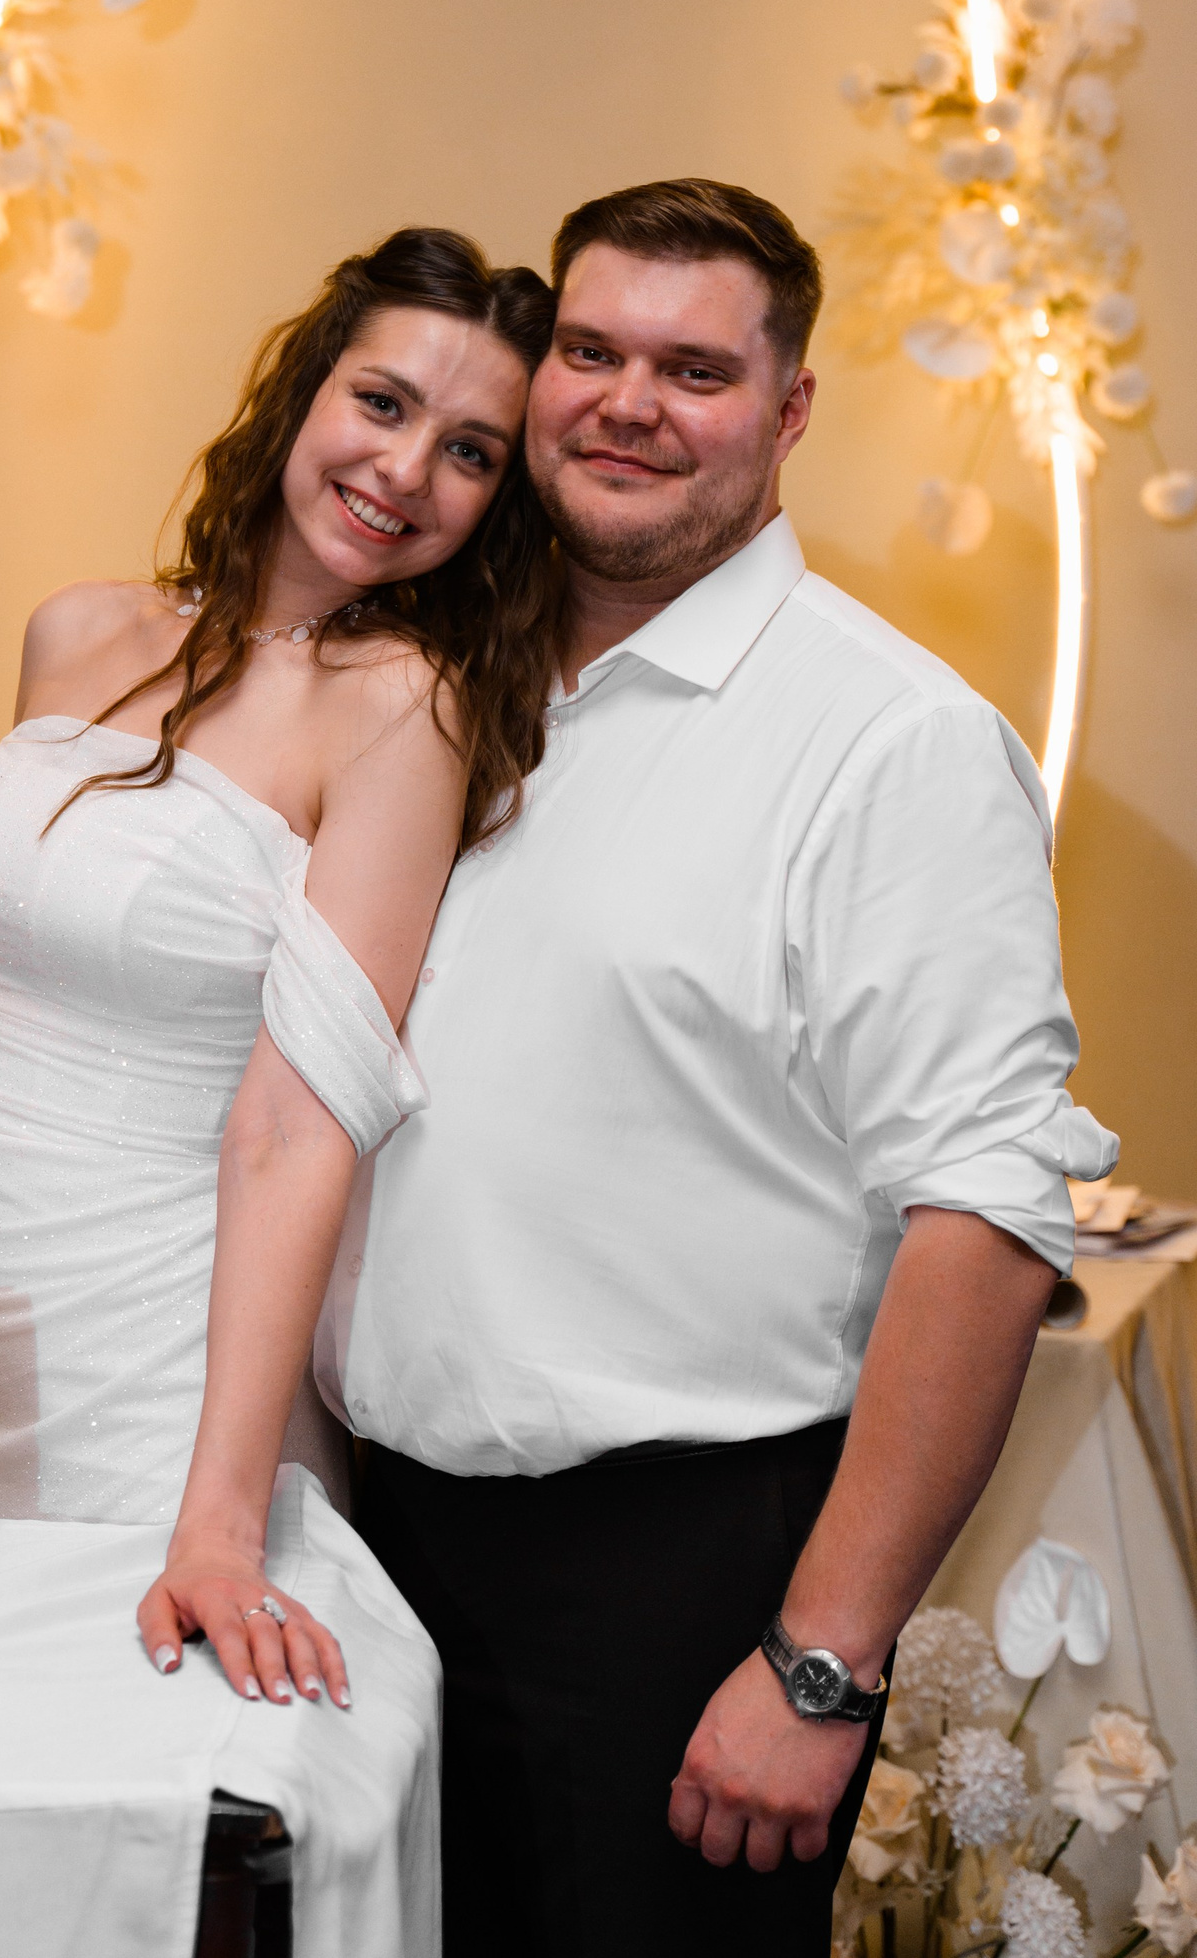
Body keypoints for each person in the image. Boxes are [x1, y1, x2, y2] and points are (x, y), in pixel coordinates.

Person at [283, 176, 1115, 1952]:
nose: (628, 403)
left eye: (696, 369)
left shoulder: (889, 741)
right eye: (591, 350)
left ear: (790, 408)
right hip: (372, 1543)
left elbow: (985, 1218)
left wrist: (820, 1662)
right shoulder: (442, 679)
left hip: (667, 1591)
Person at [0, 225, 561, 1708]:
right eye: (382, 403)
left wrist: (221, 1523)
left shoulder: (401, 708)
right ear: (307, 388)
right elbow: (22, 942)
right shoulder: (77, 628)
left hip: (146, 1361)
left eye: (470, 452)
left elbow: (302, 1121)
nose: (404, 470)